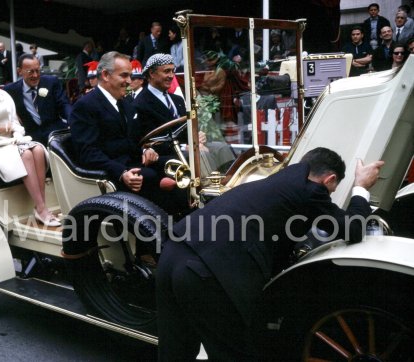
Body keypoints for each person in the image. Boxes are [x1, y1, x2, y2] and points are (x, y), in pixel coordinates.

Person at [156, 147, 385, 361]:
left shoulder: (277, 181)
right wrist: (361, 188)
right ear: (330, 179)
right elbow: (352, 228)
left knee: (176, 351)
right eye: (331, 191)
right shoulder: (309, 190)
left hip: (173, 252)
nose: (328, 195)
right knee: (237, 354)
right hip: (205, 273)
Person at [70, 51, 181, 214]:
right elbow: (87, 152)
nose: (129, 81)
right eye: (124, 76)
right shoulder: (85, 106)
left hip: (131, 162)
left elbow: (132, 140)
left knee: (175, 164)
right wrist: (121, 173)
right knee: (151, 177)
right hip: (109, 170)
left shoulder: (125, 104)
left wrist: (145, 150)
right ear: (106, 75)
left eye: (129, 76)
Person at [0, 51, 60, 226]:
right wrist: (6, 128)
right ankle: (42, 208)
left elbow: (15, 122)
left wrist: (17, 134)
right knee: (26, 154)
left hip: (9, 141)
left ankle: (41, 207)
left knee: (37, 149)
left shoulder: (4, 94)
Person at [5, 54, 71, 146]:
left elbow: (64, 104)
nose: (35, 75)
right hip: (31, 137)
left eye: (37, 71)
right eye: (30, 72)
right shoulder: (10, 90)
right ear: (19, 71)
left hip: (55, 133)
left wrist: (72, 120)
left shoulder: (51, 82)